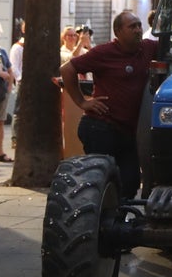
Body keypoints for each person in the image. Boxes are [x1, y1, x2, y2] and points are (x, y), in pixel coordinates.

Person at [61, 11, 156, 198]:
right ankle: (98, 222)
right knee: (100, 181)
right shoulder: (104, 52)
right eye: (132, 26)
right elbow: (67, 69)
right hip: (101, 128)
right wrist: (82, 101)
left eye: (139, 25)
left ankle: (118, 222)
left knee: (130, 183)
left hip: (128, 132)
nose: (138, 30)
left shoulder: (147, 48)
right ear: (118, 31)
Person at [0, 20, 12, 163]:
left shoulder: (1, 51)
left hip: (0, 93)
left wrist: (9, 88)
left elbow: (9, 70)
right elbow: (0, 72)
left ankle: (0, 153)